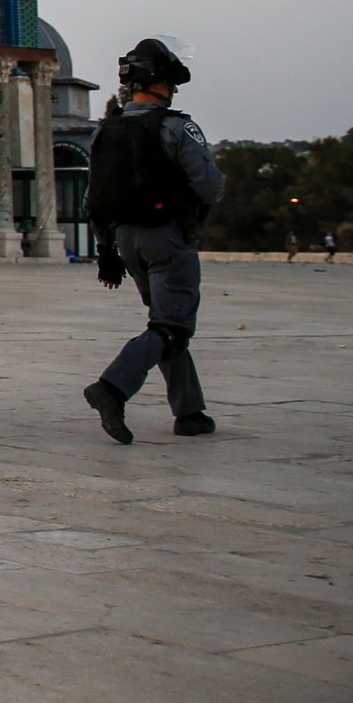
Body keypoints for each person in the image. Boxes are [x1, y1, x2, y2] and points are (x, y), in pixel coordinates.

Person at [84, 36, 224, 445]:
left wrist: (105, 250)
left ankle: (190, 411)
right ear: (160, 84)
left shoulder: (104, 131)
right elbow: (210, 187)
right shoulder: (176, 127)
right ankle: (112, 387)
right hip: (167, 238)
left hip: (126, 243)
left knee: (164, 322)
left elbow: (94, 200)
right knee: (171, 326)